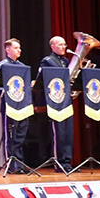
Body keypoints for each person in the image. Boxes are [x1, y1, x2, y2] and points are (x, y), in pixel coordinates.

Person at [0, 38, 29, 173]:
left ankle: (19, 163)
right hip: (9, 106)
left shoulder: (22, 66)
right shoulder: (2, 65)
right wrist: (2, 92)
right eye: (16, 48)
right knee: (11, 136)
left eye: (19, 48)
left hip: (22, 105)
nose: (19, 50)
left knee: (20, 136)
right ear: (8, 50)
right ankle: (11, 164)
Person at [40, 35, 74, 171]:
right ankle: (59, 162)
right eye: (60, 44)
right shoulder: (47, 61)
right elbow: (44, 80)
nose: (64, 47)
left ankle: (67, 161)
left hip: (66, 101)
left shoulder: (66, 61)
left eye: (64, 44)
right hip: (55, 102)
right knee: (59, 133)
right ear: (53, 46)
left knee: (68, 132)